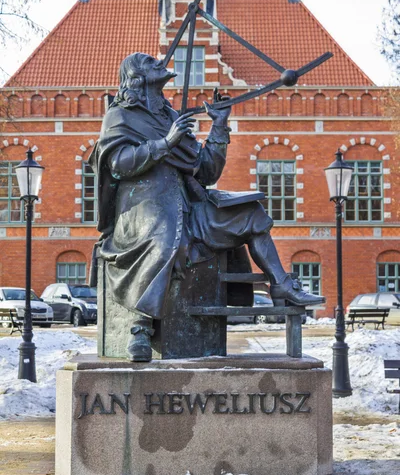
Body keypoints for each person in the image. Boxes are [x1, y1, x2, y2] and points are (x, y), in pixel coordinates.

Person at [90, 52, 325, 362]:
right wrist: (165, 144)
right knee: (162, 240)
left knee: (250, 214)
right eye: (150, 62)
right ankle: (141, 328)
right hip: (142, 208)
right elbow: (118, 165)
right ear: (137, 77)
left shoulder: (171, 118)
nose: (159, 62)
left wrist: (219, 127)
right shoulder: (120, 116)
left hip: (187, 205)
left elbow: (206, 170)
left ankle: (281, 285)